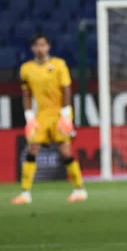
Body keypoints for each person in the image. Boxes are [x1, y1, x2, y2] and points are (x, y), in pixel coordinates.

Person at [12, 34, 87, 205]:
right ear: (32, 48)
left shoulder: (59, 65)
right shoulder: (26, 68)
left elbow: (67, 89)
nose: (40, 48)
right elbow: (27, 93)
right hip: (41, 116)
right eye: (37, 45)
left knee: (65, 151)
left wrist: (67, 114)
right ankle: (25, 193)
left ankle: (79, 189)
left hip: (59, 114)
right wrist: (29, 116)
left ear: (48, 47)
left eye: (43, 45)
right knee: (32, 149)